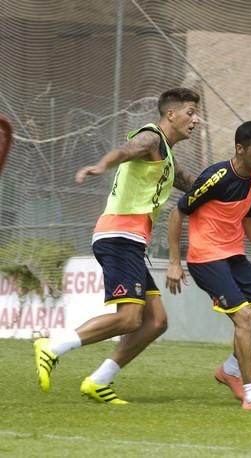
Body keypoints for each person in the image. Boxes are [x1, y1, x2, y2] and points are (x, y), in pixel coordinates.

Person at [33, 88, 201, 404]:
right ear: (171, 115)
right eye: (190, 112)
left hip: (131, 242)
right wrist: (101, 165)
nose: (196, 119)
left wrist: (243, 177)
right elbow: (124, 151)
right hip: (119, 237)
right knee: (129, 319)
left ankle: (98, 381)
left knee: (155, 322)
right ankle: (52, 347)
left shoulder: (166, 156)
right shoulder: (150, 139)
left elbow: (195, 183)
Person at [166, 120, 251, 412]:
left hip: (234, 257)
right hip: (205, 258)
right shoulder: (217, 176)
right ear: (239, 149)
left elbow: (247, 218)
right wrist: (174, 262)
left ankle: (230, 370)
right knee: (245, 318)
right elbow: (177, 212)